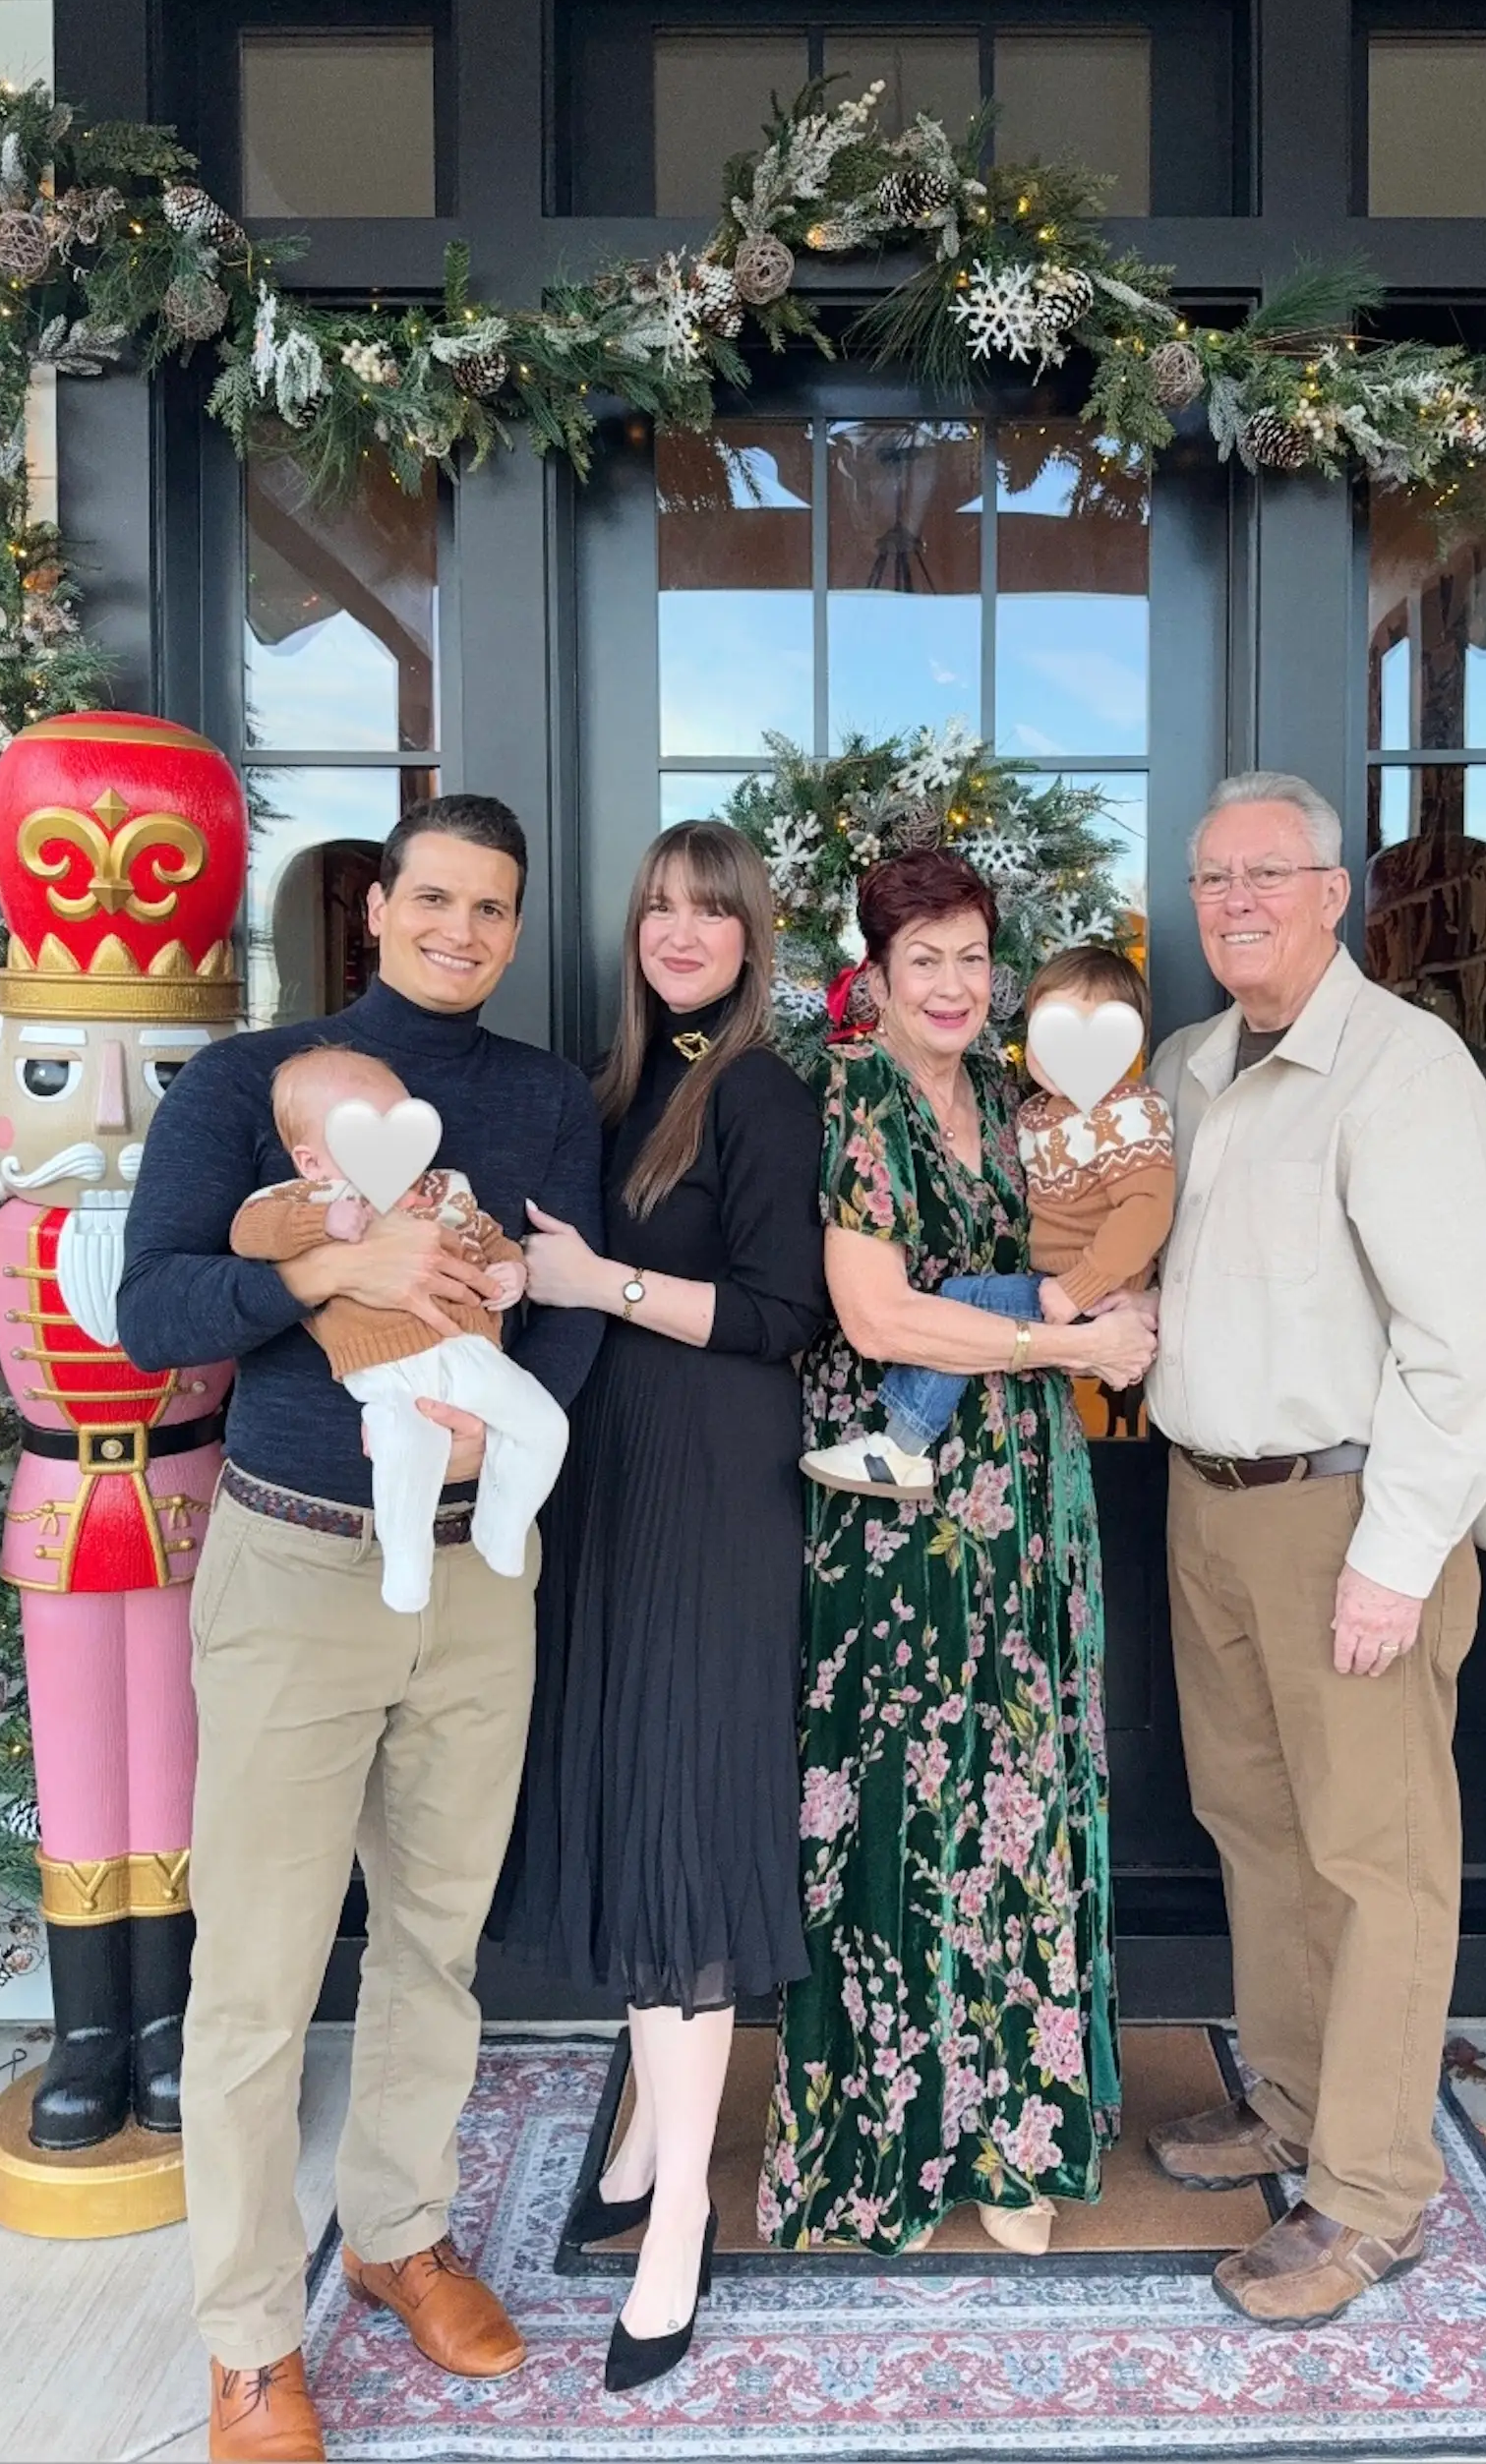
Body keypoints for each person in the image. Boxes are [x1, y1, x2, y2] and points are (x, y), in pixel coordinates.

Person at [117, 795, 603, 2464]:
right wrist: (331, 1276)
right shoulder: (254, 1079)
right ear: (379, 905)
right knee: (254, 1977)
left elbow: (567, 1295)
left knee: (437, 1942)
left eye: (495, 906)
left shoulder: (542, 1095)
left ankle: (398, 2233)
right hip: (298, 1570)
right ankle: (252, 2341)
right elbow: (154, 1305)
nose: (464, 928)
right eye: (438, 897)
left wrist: (507, 1409)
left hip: (481, 1583)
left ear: (516, 927)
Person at [1141, 770, 1486, 2327]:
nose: (1236, 901)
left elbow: (1460, 1344)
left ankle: (1371, 2191)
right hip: (1205, 1501)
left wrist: (1399, 1551)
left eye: (1268, 874)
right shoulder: (1187, 1064)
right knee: (1257, 1827)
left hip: (1346, 1512)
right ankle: (1289, 2104)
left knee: (1378, 1859)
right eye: (1215, 877)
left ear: (1334, 890)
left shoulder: (1402, 1067)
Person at [761, 851, 1156, 2259]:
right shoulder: (855, 1099)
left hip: (1030, 1496)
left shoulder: (1019, 1098)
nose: (952, 983)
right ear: (872, 973)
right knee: (902, 1806)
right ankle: (895, 2131)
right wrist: (1069, 1342)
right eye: (923, 956)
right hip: (895, 1507)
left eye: (973, 956)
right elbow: (874, 1318)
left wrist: (1127, 1297)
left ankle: (1019, 2128)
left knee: (1026, 1795)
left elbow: (1099, 1233)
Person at [494, 820, 826, 2392]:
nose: (678, 931)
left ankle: (684, 2206)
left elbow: (778, 1312)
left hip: (714, 1489)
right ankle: (645, 2120)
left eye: (710, 910)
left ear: (754, 933)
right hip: (611, 1485)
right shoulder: (610, 1086)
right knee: (635, 1804)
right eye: (656, 907)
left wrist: (596, 1284)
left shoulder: (758, 1088)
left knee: (685, 1825)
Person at [802, 942, 1174, 1503]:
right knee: (963, 1299)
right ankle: (902, 1445)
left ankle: (901, 1445)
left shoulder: (1125, 1116)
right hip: (1057, 1290)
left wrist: (1086, 1290)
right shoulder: (1032, 1109)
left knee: (961, 1299)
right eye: (1049, 1033)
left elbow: (1146, 1212)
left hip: (1081, 1291)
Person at [228, 1045, 567, 1613]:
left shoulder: (446, 1191)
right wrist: (326, 1221)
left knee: (544, 1423)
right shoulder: (307, 1199)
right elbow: (249, 1232)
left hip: (468, 1352)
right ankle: (406, 1564)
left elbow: (489, 1235)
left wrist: (511, 1267)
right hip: (384, 1364)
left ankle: (502, 1523)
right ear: (312, 1162)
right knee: (408, 1449)